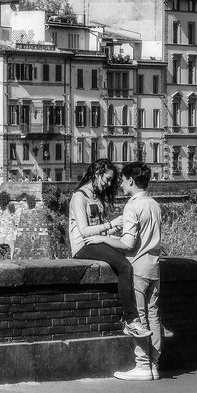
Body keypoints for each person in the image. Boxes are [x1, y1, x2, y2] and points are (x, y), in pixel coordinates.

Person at [69, 159, 151, 339]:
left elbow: (99, 228)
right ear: (97, 173)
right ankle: (131, 320)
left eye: (111, 181)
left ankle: (146, 314)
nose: (108, 184)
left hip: (97, 243)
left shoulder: (97, 198)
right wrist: (111, 224)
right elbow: (84, 231)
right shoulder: (79, 197)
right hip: (83, 247)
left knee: (133, 255)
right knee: (124, 266)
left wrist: (114, 230)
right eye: (106, 179)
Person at [111, 161, 164, 381]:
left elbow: (129, 243)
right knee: (154, 316)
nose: (121, 185)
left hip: (138, 267)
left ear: (131, 180)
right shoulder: (154, 204)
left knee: (139, 318)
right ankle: (154, 365)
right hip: (154, 267)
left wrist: (103, 239)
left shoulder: (132, 206)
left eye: (122, 180)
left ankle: (142, 365)